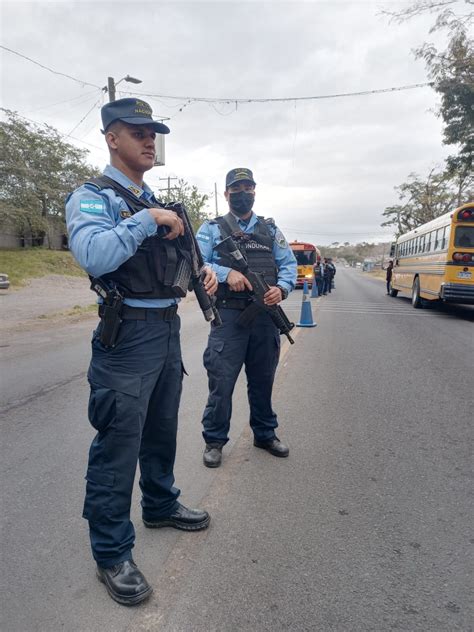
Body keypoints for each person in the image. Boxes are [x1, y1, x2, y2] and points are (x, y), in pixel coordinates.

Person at [65, 98, 217, 606]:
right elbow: (93, 253)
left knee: (160, 429)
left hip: (166, 329)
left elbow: (180, 263)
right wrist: (145, 219)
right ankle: (111, 553)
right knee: (117, 446)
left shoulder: (160, 204)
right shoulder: (95, 197)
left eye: (154, 133)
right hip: (126, 335)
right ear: (112, 137)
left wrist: (204, 272)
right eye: (137, 132)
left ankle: (159, 503)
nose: (150, 140)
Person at [195, 168, 297, 468]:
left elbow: (287, 264)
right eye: (236, 188)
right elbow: (198, 261)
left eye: (248, 187)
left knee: (263, 380)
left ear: (255, 191)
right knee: (222, 382)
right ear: (226, 194)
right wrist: (228, 274)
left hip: (265, 316)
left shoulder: (271, 230)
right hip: (228, 316)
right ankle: (214, 440)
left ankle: (264, 433)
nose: (243, 192)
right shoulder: (212, 228)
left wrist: (282, 288)